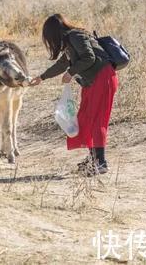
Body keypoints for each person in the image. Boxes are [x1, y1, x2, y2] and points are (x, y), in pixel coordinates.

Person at [30, 14, 118, 176]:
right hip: (92, 81)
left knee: (97, 119)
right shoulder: (70, 42)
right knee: (86, 118)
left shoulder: (76, 36)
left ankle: (101, 163)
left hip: (103, 78)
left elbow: (89, 58)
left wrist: (71, 73)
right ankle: (93, 159)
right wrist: (41, 77)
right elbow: (62, 64)